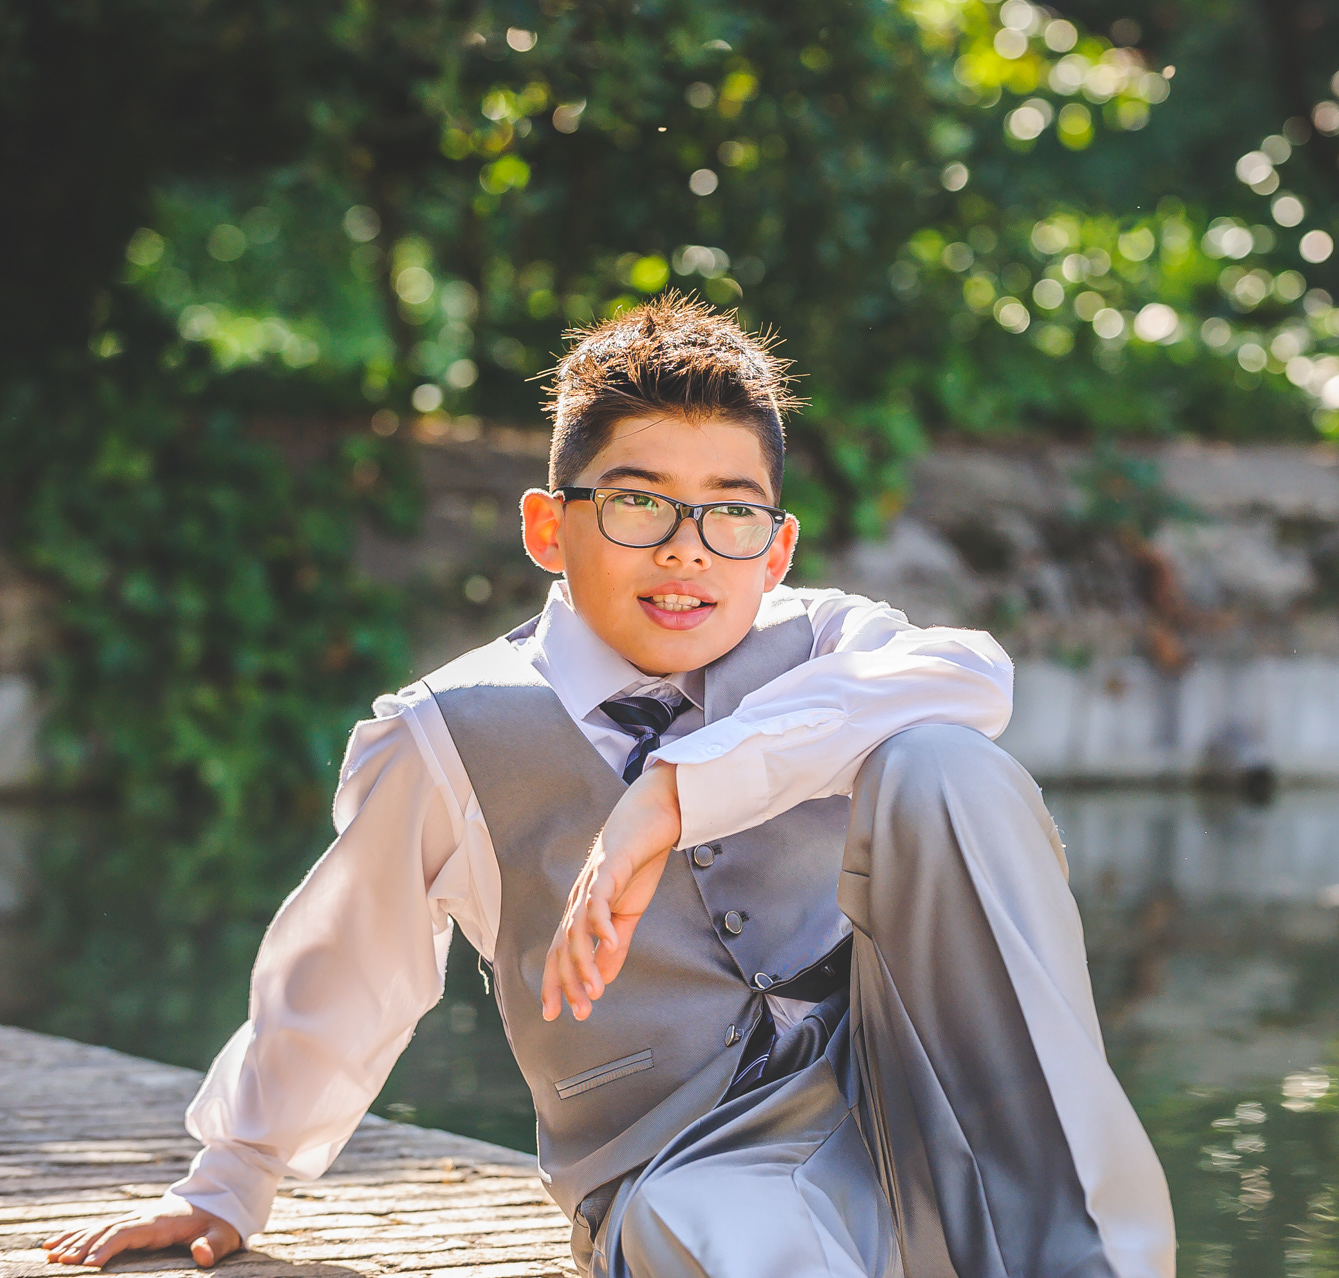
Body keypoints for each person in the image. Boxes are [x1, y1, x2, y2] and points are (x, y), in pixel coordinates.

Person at [43, 294, 1175, 1277]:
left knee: (942, 762)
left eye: (731, 511)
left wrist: (674, 791)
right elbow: (346, 962)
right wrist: (232, 1178)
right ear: (549, 527)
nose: (687, 550)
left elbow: (974, 676)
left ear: (776, 548)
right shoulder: (448, 733)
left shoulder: (832, 645)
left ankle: (1077, 1251)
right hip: (689, 1161)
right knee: (732, 1250)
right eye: (639, 504)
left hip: (931, 1111)